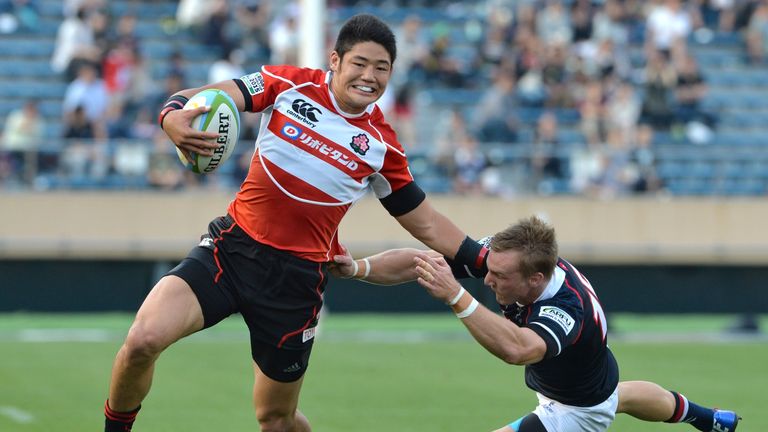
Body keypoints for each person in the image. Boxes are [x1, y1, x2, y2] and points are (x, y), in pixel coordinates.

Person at [102, 14, 488, 432]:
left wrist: (479, 257)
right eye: (360, 63)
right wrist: (171, 115)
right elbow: (203, 97)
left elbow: (426, 222)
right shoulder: (286, 83)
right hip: (230, 251)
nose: (370, 76)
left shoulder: (382, 146)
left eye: (382, 68)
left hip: (296, 282)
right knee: (142, 340)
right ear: (335, 60)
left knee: (276, 419)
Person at [332, 216, 741, 432]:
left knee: (607, 403)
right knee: (622, 397)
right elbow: (424, 260)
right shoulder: (512, 260)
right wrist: (356, 268)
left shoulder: (566, 307)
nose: (488, 280)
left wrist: (456, 296)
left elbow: (518, 350)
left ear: (536, 280)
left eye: (499, 277)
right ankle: (707, 418)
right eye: (487, 270)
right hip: (593, 378)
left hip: (575, 411)